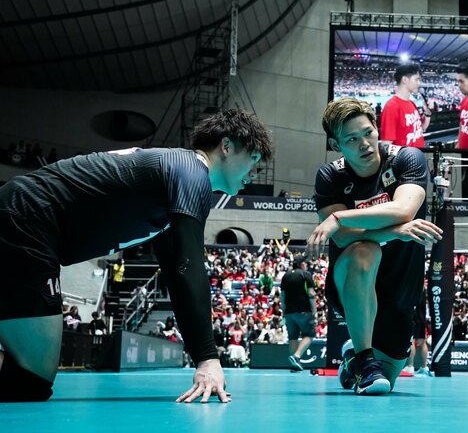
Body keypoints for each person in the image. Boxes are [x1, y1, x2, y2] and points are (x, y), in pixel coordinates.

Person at [0, 108, 272, 403]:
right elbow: (188, 267)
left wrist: (203, 358)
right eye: (254, 160)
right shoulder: (193, 173)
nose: (254, 173)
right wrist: (208, 359)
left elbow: (175, 274)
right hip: (25, 218)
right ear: (227, 146)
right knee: (31, 381)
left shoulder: (173, 182)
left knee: (30, 381)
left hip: (22, 218)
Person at [308, 98, 442, 395]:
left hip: (400, 286)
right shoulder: (330, 176)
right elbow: (343, 238)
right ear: (336, 143)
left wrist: (339, 217)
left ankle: (354, 357)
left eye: (368, 133)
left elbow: (404, 209)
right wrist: (397, 232)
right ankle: (365, 357)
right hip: (352, 277)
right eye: (351, 139)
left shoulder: (408, 158)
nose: (364, 144)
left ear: (376, 127)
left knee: (387, 383)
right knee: (364, 250)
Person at [379, 64, 430, 148]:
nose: (419, 83)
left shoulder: (412, 103)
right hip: (405, 160)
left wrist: (428, 113)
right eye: (416, 79)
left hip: (418, 158)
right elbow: (386, 145)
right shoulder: (391, 107)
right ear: (405, 80)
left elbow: (422, 129)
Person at [281, 257, 317, 371]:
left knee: (293, 337)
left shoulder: (285, 276)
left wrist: (284, 311)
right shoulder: (305, 274)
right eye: (305, 263)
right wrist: (314, 311)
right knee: (310, 335)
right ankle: (296, 356)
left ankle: (295, 365)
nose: (306, 265)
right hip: (304, 312)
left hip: (289, 313)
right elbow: (311, 294)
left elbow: (282, 296)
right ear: (301, 264)